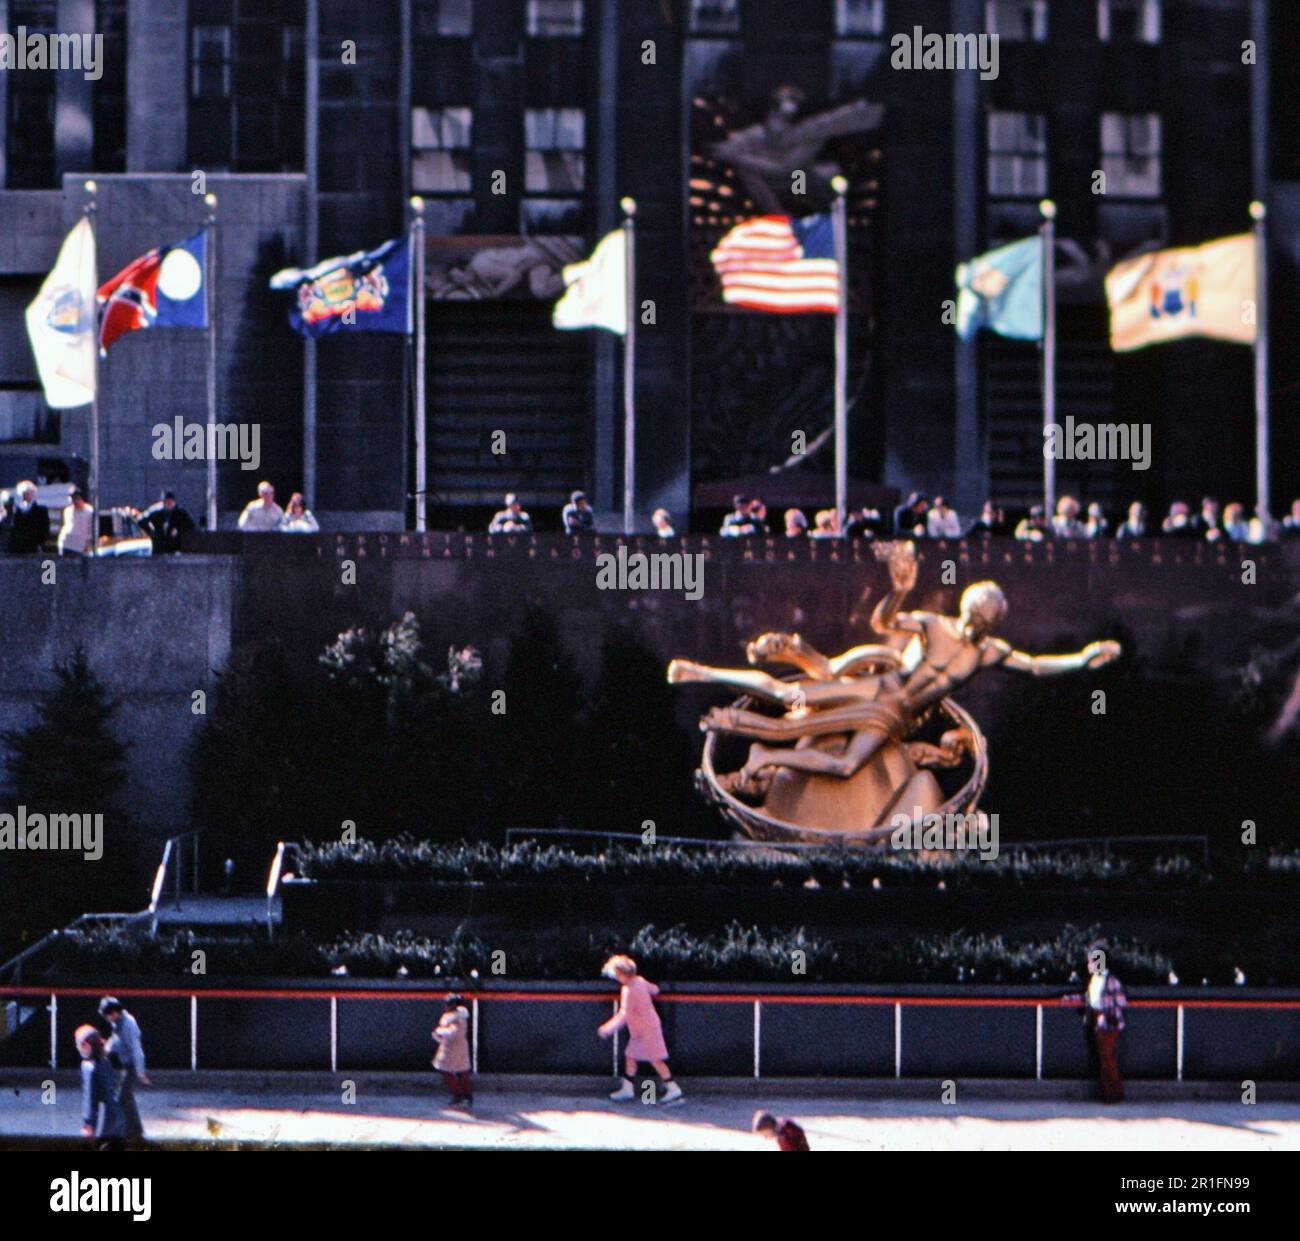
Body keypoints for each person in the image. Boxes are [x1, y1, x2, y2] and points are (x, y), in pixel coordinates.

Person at [598, 954, 683, 1106]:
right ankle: (628, 1088)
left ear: (622, 974)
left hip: (644, 1031)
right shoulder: (640, 981)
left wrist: (607, 1029)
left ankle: (673, 1088)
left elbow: (623, 1014)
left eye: (617, 975)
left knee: (655, 1060)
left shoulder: (628, 990)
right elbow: (654, 989)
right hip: (647, 1028)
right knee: (631, 1056)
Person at [1062, 945, 1127, 1104]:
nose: (1088, 965)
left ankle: (1114, 1093)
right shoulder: (1095, 980)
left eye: (1091, 961)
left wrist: (1105, 1015)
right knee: (1103, 1058)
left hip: (1107, 1023)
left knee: (1106, 1058)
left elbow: (1120, 1002)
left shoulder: (1111, 981)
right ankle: (1110, 1092)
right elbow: (1089, 999)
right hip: (1098, 1022)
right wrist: (1070, 999)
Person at [99, 997, 148, 1139]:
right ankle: (135, 1129)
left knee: (123, 1096)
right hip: (127, 1064)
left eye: (107, 1015)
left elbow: (136, 1048)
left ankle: (132, 1129)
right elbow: (115, 1040)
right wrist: (107, 1049)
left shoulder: (128, 1024)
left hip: (132, 1065)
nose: (107, 1019)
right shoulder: (118, 1023)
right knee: (127, 1097)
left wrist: (140, 1071)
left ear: (114, 1012)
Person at [76, 1024, 126, 1149]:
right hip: (118, 1124)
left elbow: (89, 1099)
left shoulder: (89, 1066)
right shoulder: (105, 1062)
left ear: (86, 1045)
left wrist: (89, 1124)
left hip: (103, 1129)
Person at [432, 994, 473, 1111]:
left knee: (456, 1072)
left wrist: (440, 1031)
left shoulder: (458, 1018)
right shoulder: (451, 1017)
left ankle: (462, 1095)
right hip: (449, 1048)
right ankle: (462, 1095)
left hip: (456, 1048)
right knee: (453, 1072)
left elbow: (453, 1032)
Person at [3, 480, 49, 553]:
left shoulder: (41, 510)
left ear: (33, 493)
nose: (25, 495)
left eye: (28, 493)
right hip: (19, 542)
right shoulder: (18, 510)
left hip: (33, 542)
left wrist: (40, 542)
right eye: (23, 493)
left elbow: (44, 528)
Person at [57, 489, 95, 555]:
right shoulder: (68, 510)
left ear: (82, 499)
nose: (75, 501)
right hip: (66, 544)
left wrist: (88, 544)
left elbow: (91, 530)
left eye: (77, 499)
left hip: (80, 547)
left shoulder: (90, 511)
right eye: (73, 499)